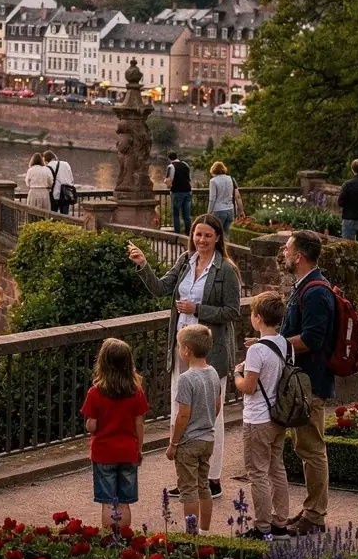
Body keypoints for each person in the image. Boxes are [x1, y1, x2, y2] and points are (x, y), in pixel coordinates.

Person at [127, 214, 240, 500]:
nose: (201, 240)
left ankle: (212, 479)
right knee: (180, 411)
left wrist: (197, 308)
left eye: (207, 235)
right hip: (182, 349)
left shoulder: (225, 270)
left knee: (211, 415)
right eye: (197, 235)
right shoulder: (185, 261)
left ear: (217, 238)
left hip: (210, 353)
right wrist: (143, 265)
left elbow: (232, 311)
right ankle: (187, 476)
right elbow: (160, 288)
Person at [280, 230, 336, 536]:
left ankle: (315, 515)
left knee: (312, 448)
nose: (284, 253)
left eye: (288, 249)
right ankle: (311, 508)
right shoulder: (307, 286)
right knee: (306, 447)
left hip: (311, 382)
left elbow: (312, 339)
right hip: (304, 381)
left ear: (299, 256)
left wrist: (276, 346)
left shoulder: (315, 291)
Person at [233, 291, 291, 539]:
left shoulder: (257, 351)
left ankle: (262, 526)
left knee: (257, 473)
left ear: (257, 318)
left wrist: (237, 374)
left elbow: (249, 386)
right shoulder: (284, 343)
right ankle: (280, 522)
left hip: (258, 418)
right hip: (279, 416)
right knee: (277, 469)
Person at [81, 337, 149, 530]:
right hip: (128, 451)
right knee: (124, 502)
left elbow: (92, 425)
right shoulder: (136, 392)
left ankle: (109, 539)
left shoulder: (95, 393)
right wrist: (139, 449)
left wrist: (91, 423)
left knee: (109, 502)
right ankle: (126, 538)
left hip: (104, 452)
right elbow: (139, 424)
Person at [166, 325, 221, 531]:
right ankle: (205, 530)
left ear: (187, 350)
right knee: (203, 485)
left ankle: (191, 534)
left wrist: (174, 443)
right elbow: (217, 405)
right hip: (208, 438)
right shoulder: (213, 372)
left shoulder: (186, 379)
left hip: (189, 441)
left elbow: (183, 415)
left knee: (188, 489)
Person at [207, 161, 243, 236]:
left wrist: (209, 212)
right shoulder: (231, 179)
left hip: (218, 210)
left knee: (216, 234)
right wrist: (241, 210)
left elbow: (212, 199)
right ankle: (228, 247)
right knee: (227, 234)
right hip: (230, 210)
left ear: (213, 170)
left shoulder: (213, 181)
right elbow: (238, 196)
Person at [165, 151, 193, 234]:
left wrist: (168, 186)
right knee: (187, 215)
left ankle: (177, 235)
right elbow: (188, 178)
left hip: (177, 192)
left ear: (169, 158)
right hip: (188, 191)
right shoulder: (185, 164)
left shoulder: (171, 166)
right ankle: (188, 233)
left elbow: (169, 180)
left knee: (176, 214)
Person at [43, 149, 75, 215]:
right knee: (65, 217)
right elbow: (71, 179)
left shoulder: (48, 167)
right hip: (67, 194)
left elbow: (48, 182)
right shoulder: (66, 164)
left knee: (53, 216)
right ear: (54, 157)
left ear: (45, 160)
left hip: (55, 195)